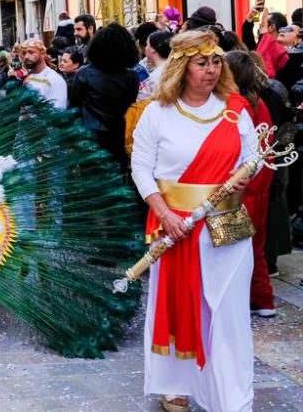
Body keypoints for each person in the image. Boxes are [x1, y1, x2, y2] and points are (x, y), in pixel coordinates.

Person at [131, 30, 257, 412]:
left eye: (216, 61)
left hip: (227, 227)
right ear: (182, 68)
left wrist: (248, 171)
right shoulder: (157, 112)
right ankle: (176, 384)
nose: (212, 69)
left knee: (229, 311)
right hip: (175, 227)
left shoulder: (236, 109)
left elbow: (253, 156)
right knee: (178, 304)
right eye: (202, 63)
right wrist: (165, 213)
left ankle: (231, 391)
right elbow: (141, 167)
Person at [226, 51, 278, 318]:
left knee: (238, 247)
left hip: (243, 185)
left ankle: (250, 298)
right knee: (256, 244)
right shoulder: (260, 103)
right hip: (261, 183)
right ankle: (263, 298)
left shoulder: (237, 107)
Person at [69, 23, 139, 167]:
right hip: (119, 136)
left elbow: (73, 109)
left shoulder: (84, 73)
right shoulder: (131, 76)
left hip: (90, 140)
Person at [21, 38, 67, 109]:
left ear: (42, 53)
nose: (26, 57)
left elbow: (58, 114)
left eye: (31, 52)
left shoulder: (55, 80)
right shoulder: (28, 78)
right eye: (24, 53)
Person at [137, 29, 173, 101]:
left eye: (147, 45)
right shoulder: (172, 68)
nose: (146, 48)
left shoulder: (156, 77)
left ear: (153, 49)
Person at [256, 11, 289, 78]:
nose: (259, 29)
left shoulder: (284, 51)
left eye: (261, 25)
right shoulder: (262, 44)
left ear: (272, 27)